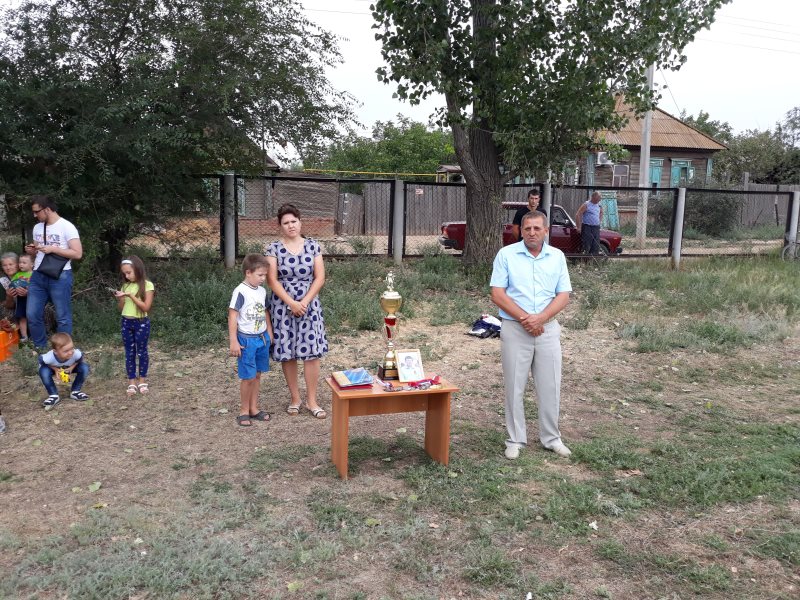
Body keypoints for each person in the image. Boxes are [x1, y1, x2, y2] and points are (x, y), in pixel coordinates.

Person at [490, 211, 573, 460]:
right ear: (521, 230)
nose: (532, 233)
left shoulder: (556, 257)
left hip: (547, 329)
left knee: (550, 385)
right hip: (515, 329)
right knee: (514, 386)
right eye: (527, 229)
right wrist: (528, 319)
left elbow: (563, 295)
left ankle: (551, 438)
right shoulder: (506, 255)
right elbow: (498, 294)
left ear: (546, 231)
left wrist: (541, 319)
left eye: (537, 228)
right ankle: (515, 439)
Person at [265, 204, 329, 419]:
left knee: (311, 353)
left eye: (293, 221)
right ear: (280, 226)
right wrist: (291, 302)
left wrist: (304, 302)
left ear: (300, 222)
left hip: (309, 304)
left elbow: (319, 277)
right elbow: (272, 280)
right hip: (283, 306)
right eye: (286, 222)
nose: (290, 225)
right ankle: (295, 398)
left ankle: (312, 400)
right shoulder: (273, 248)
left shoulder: (313, 246)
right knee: (288, 353)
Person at [24, 195, 83, 350]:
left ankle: (63, 350)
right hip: (38, 274)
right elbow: (37, 252)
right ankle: (40, 348)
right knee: (32, 314)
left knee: (62, 316)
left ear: (48, 209)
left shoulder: (67, 227)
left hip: (61, 276)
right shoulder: (38, 227)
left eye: (37, 212)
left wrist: (53, 249)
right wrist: (31, 250)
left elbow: (77, 254)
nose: (35, 215)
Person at [228, 253, 274, 427]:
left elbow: (265, 312)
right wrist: (233, 340)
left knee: (257, 374)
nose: (263, 278)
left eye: (265, 275)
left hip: (262, 339)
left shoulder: (262, 291)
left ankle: (254, 408)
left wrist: (269, 331)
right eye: (260, 275)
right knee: (247, 377)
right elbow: (233, 316)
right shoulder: (240, 291)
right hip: (246, 340)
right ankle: (243, 410)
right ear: (248, 272)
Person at [114, 256, 155, 397]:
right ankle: (132, 381)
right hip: (126, 321)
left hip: (141, 322)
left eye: (129, 272)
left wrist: (131, 296)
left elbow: (146, 307)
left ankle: (142, 380)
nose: (126, 275)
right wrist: (121, 299)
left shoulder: (147, 285)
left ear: (137, 269)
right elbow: (122, 308)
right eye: (124, 273)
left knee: (141, 351)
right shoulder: (125, 286)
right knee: (129, 352)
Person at [38, 332, 91, 408]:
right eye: (66, 351)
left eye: (72, 348)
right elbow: (41, 361)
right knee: (43, 371)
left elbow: (80, 358)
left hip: (69, 367)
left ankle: (75, 391)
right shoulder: (49, 357)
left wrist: (71, 368)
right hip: (53, 368)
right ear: (55, 351)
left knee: (84, 367)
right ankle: (53, 395)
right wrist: (55, 369)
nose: (70, 353)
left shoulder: (75, 353)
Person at [11, 254, 33, 342]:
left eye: (24, 263)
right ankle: (24, 336)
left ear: (32, 264)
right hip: (21, 300)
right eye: (20, 262)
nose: (21, 265)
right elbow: (12, 284)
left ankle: (33, 336)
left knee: (33, 317)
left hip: (32, 300)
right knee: (22, 318)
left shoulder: (35, 274)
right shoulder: (18, 274)